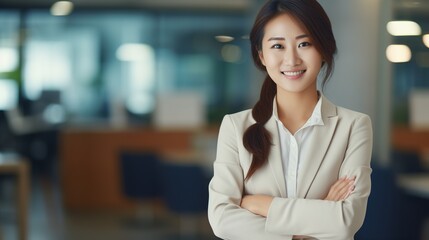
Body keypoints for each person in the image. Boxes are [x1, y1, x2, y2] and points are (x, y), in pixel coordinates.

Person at [207, 0, 373, 239]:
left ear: (324, 50)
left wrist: (261, 204)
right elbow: (222, 220)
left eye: (304, 43)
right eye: (278, 46)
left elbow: (346, 221)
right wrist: (305, 230)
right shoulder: (235, 127)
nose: (292, 59)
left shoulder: (354, 126)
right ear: (261, 55)